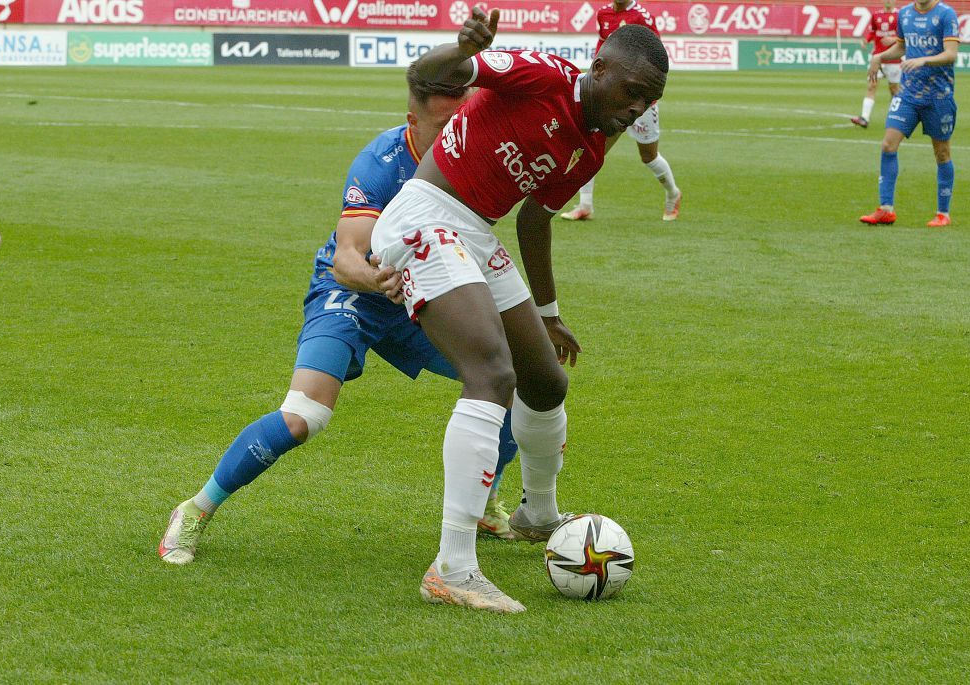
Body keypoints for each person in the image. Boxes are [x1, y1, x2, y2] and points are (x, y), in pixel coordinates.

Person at [369, 10, 667, 613]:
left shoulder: (590, 148)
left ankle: (538, 513)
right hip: (425, 215)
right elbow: (427, 75)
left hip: (476, 233)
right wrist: (463, 48)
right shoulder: (540, 75)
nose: (637, 110)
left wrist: (549, 313)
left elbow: (534, 219)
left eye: (650, 102)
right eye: (632, 92)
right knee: (492, 376)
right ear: (599, 68)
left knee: (545, 380)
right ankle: (452, 567)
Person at [159, 73, 522, 566]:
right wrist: (376, 281)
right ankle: (195, 510)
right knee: (304, 417)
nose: (454, 134)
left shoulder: (472, 154)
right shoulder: (382, 162)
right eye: (443, 124)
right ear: (412, 121)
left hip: (420, 294)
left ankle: (483, 505)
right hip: (354, 292)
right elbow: (347, 257)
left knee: (513, 386)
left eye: (461, 121)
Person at [560, 0, 681, 223]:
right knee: (590, 149)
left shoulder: (641, 17)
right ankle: (585, 205)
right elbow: (602, 47)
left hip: (640, 102)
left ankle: (673, 193)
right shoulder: (603, 13)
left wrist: (648, 99)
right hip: (613, 99)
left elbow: (656, 59)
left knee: (649, 157)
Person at [860, 0, 960, 228]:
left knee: (942, 154)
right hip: (908, 94)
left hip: (939, 96)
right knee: (888, 145)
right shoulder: (904, 14)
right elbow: (902, 46)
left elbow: (951, 54)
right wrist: (879, 57)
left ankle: (943, 213)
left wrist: (924, 60)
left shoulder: (946, 14)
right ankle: (886, 209)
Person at [851, 0, 901, 128]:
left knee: (894, 90)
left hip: (894, 58)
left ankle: (895, 119)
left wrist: (893, 39)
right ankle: (864, 118)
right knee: (871, 86)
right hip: (877, 59)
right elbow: (873, 32)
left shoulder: (900, 16)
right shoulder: (876, 15)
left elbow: (905, 35)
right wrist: (866, 40)